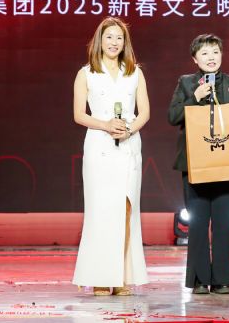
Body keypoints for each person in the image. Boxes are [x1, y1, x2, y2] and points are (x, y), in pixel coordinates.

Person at [168, 34, 229, 295]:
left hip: (227, 163)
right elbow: (173, 116)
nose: (211, 57)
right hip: (195, 164)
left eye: (215, 52)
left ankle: (222, 280)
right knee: (197, 224)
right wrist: (194, 97)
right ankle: (198, 279)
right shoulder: (186, 83)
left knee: (223, 224)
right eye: (204, 53)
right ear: (195, 59)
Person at [72, 17, 150, 295]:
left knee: (126, 211)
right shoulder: (86, 73)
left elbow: (144, 112)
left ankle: (121, 278)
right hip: (100, 148)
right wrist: (105, 125)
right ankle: (101, 278)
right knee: (101, 211)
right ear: (99, 41)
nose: (114, 42)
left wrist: (129, 129)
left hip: (128, 147)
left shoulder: (135, 73)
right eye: (109, 37)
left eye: (119, 38)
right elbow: (79, 115)